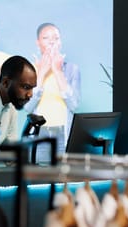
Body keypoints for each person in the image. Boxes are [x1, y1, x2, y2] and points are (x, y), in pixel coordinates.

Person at [24, 22, 81, 160]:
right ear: (38, 42)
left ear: (60, 42)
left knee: (63, 177)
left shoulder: (72, 69)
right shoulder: (29, 70)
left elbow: (74, 105)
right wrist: (42, 73)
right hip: (39, 133)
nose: (51, 42)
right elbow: (27, 106)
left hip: (63, 133)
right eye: (46, 38)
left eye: (55, 38)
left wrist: (57, 71)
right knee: (39, 178)